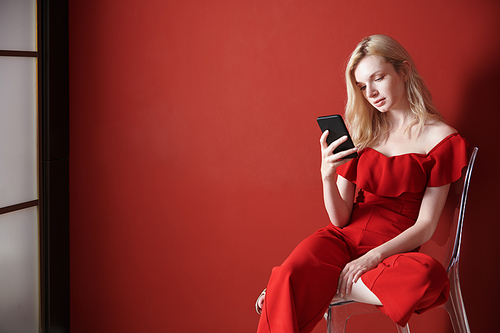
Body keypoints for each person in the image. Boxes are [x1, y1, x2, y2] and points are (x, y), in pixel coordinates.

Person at [255, 34, 468, 333]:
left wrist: (373, 257)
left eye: (378, 78)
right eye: (362, 86)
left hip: (392, 253)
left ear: (404, 71)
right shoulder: (361, 132)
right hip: (342, 241)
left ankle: (301, 289)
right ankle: (298, 285)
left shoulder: (442, 138)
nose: (371, 92)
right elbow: (340, 218)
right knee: (291, 270)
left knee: (428, 277)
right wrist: (326, 175)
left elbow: (427, 225)